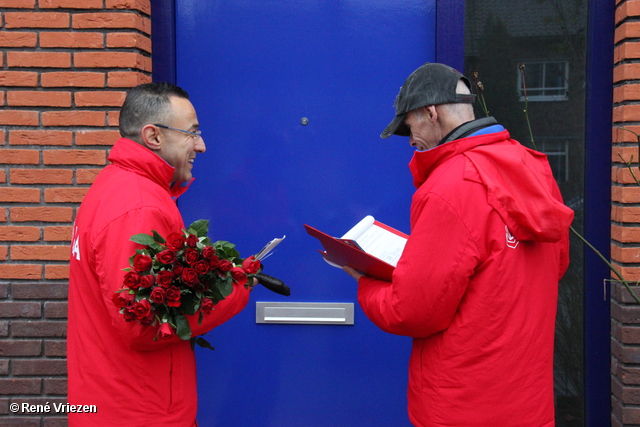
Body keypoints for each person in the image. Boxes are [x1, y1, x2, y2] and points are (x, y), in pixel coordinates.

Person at [343, 63, 574, 426]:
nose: (412, 140)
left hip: (462, 406)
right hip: (528, 403)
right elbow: (554, 265)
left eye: (409, 127)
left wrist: (366, 281)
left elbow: (413, 311)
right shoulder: (534, 169)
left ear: (430, 113)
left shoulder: (449, 187)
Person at [67, 83, 251, 426]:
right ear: (153, 137)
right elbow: (143, 325)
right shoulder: (139, 207)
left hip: (114, 401)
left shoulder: (114, 186)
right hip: (139, 410)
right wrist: (235, 289)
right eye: (191, 133)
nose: (201, 145)